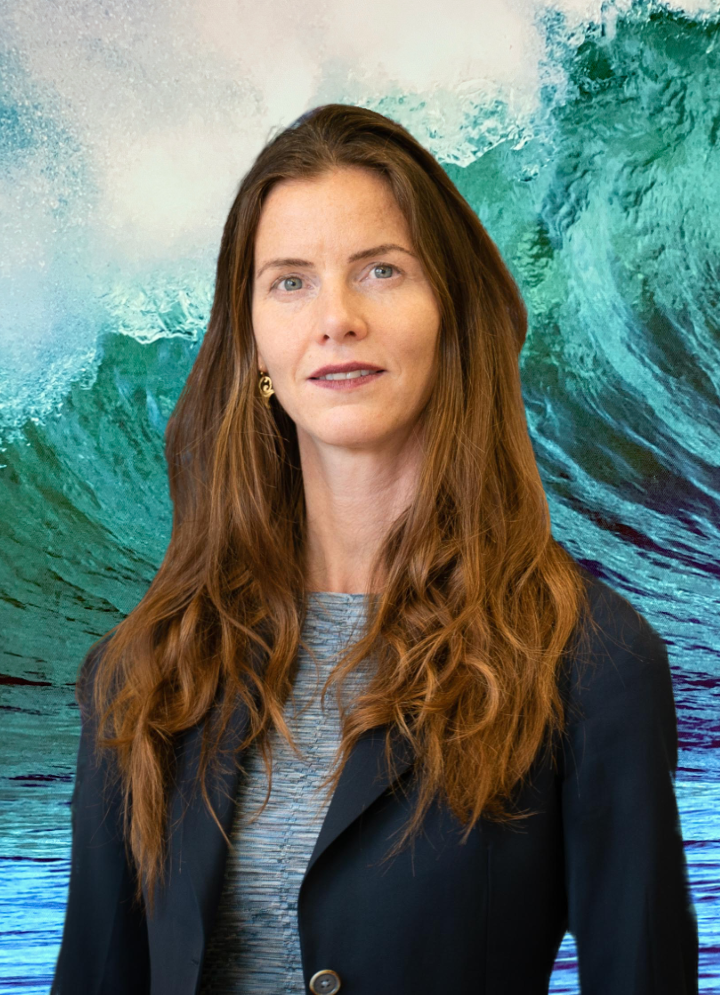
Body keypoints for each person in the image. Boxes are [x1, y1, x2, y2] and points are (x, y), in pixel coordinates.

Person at [51, 103, 698, 995]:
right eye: (290, 282)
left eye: (381, 270)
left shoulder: (588, 660)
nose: (336, 317)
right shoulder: (147, 668)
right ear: (256, 347)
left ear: (449, 311)